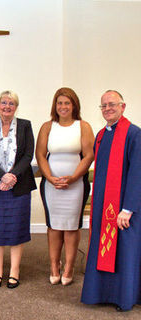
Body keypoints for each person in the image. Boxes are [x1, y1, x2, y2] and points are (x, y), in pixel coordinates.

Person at [81, 90, 141, 311]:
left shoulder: (134, 134)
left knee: (125, 250)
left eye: (112, 104)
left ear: (123, 106)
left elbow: (137, 173)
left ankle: (124, 297)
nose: (107, 109)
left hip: (126, 208)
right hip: (104, 205)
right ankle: (102, 293)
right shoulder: (101, 135)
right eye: (103, 106)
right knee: (103, 247)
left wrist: (128, 208)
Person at [0, 90, 36, 289]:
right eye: (4, 102)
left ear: (16, 107)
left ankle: (15, 271)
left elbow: (28, 155)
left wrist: (12, 177)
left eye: (11, 103)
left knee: (16, 228)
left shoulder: (25, 126)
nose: (7, 106)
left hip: (18, 187)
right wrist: (1, 176)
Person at [36, 87, 94, 286]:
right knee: (53, 226)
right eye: (59, 103)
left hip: (75, 185)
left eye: (67, 103)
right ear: (55, 105)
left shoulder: (83, 126)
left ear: (74, 105)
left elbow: (88, 155)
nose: (63, 107)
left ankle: (69, 267)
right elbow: (41, 155)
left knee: (71, 226)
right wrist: (50, 177)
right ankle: (54, 265)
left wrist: (73, 178)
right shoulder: (47, 126)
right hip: (51, 185)